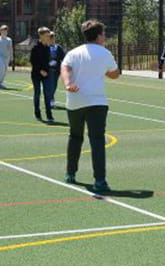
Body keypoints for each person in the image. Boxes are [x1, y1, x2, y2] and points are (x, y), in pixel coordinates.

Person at [61, 20, 120, 193]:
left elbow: (64, 68)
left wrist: (68, 83)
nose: (105, 37)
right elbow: (115, 74)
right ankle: (99, 181)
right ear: (99, 35)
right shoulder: (105, 53)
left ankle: (70, 174)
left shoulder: (74, 52)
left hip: (75, 100)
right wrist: (104, 71)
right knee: (97, 141)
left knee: (75, 137)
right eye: (104, 34)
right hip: (97, 101)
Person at [30, 27, 56, 122]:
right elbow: (33, 61)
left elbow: (47, 61)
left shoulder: (48, 47)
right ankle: (37, 113)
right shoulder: (35, 47)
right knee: (37, 93)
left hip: (47, 74)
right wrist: (40, 70)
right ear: (41, 36)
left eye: (49, 36)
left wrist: (48, 69)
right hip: (36, 74)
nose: (48, 37)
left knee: (47, 94)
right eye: (46, 36)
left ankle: (49, 115)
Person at [47, 37, 66, 111]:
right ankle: (50, 99)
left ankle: (51, 98)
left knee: (54, 85)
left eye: (53, 38)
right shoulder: (45, 47)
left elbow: (63, 58)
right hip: (48, 69)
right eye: (50, 38)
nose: (52, 40)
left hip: (56, 69)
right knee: (49, 85)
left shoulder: (58, 47)